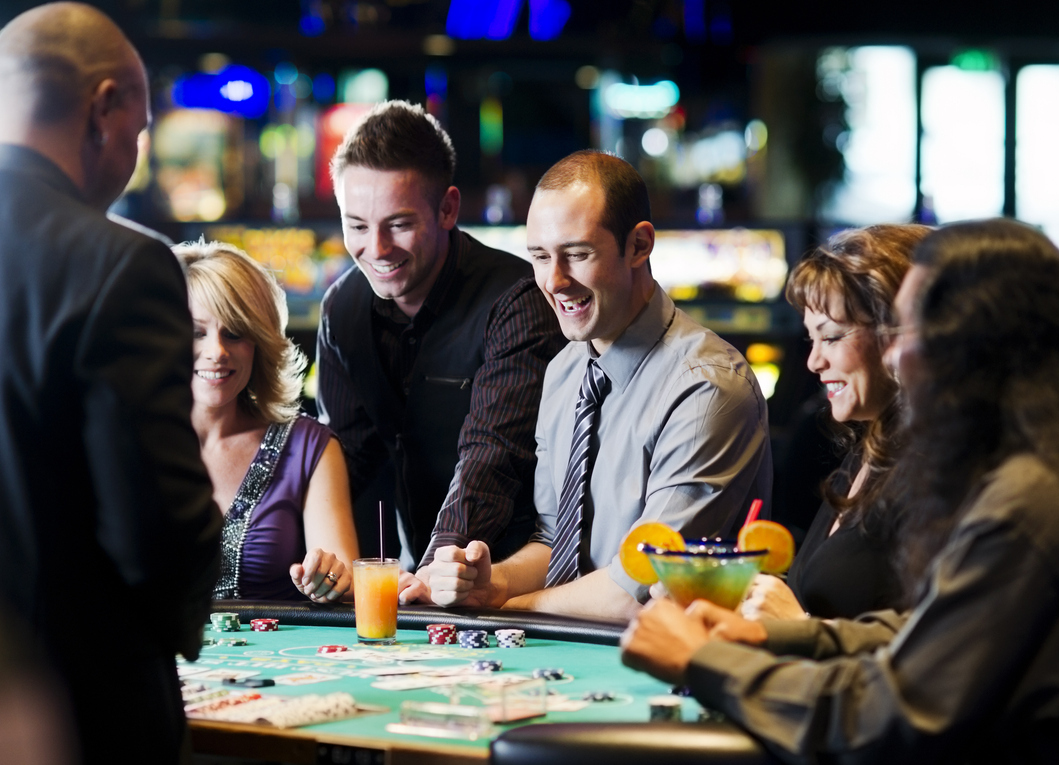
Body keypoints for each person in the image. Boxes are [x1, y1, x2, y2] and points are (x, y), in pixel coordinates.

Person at [622, 219, 1059, 765]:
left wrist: (704, 660)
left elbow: (891, 722)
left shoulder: (1036, 496)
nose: (893, 356)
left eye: (907, 332)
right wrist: (771, 635)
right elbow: (934, 629)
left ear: (974, 345)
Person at [0, 4, 222, 765]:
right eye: (140, 125)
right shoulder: (118, 263)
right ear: (103, 109)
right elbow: (154, 528)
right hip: (76, 724)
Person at [412, 151, 771, 620]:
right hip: (572, 660)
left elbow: (642, 585)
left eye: (577, 255)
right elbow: (554, 541)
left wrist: (506, 610)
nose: (554, 281)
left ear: (639, 245)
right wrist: (491, 584)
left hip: (671, 668)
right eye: (539, 257)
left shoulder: (709, 390)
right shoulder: (564, 371)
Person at [316, 100, 565, 583]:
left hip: (520, 581)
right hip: (421, 581)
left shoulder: (515, 301)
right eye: (357, 226)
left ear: (448, 208)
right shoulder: (340, 309)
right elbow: (347, 457)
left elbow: (490, 458)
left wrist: (437, 570)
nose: (377, 249)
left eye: (399, 224)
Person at [741, 224, 930, 622]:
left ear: (898, 333)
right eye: (811, 340)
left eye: (832, 337)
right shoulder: (868, 451)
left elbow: (933, 653)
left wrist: (798, 626)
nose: (813, 362)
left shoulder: (937, 469)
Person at [175, 241, 358, 601]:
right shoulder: (123, 438)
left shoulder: (309, 446)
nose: (217, 352)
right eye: (197, 333)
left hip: (276, 656)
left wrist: (332, 580)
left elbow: (346, 587)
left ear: (259, 343)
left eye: (235, 333)